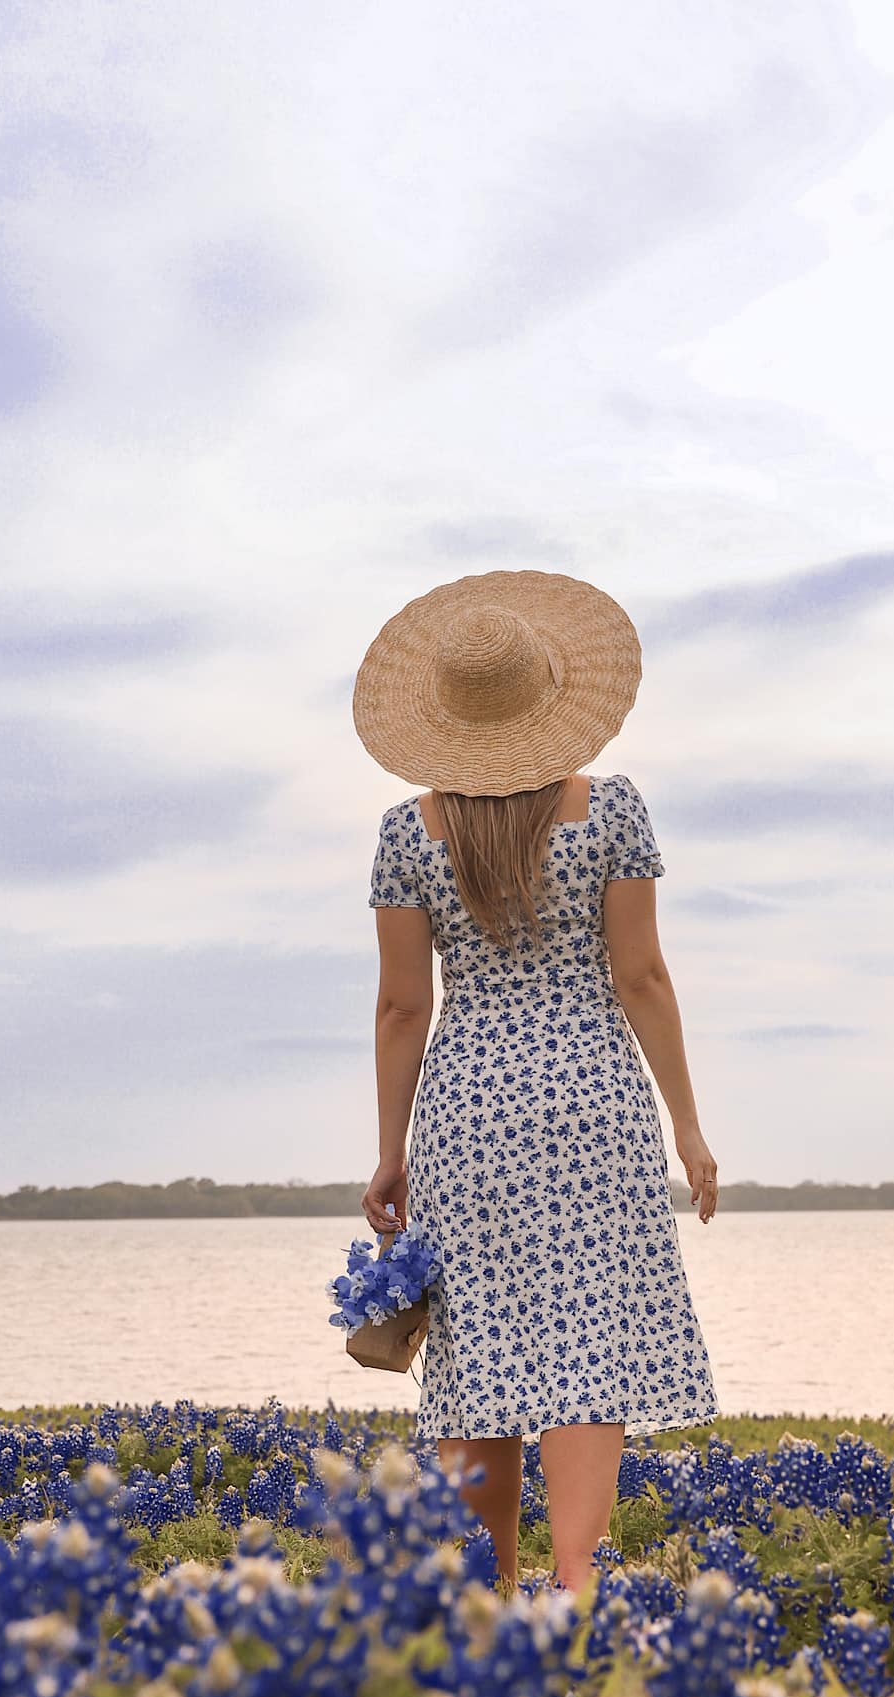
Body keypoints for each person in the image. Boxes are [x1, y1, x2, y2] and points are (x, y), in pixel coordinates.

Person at [351, 567, 718, 1591]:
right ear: (550, 699)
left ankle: (487, 1596)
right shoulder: (609, 812)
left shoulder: (405, 833)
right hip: (594, 1101)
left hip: (464, 1114)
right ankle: (576, 1587)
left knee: (477, 1353)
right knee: (584, 1346)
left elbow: (400, 1008)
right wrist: (687, 1125)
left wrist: (389, 1152)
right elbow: (640, 976)